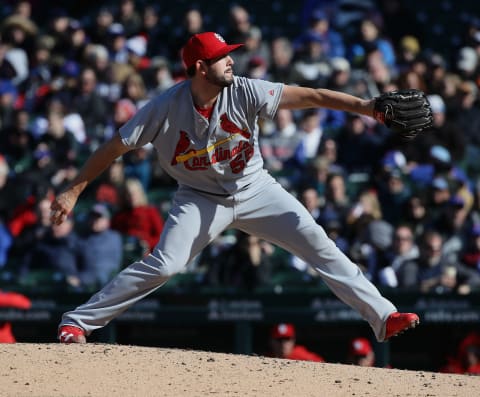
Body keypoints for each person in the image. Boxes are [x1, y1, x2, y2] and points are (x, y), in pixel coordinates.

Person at [52, 32, 420, 344]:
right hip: (199, 198)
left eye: (230, 55)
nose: (231, 61)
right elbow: (113, 148)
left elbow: (313, 96)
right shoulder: (165, 107)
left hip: (255, 188)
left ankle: (383, 317)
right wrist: (73, 191)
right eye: (222, 57)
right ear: (200, 67)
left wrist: (367, 106)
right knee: (165, 265)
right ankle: (78, 321)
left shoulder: (245, 90)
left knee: (318, 243)